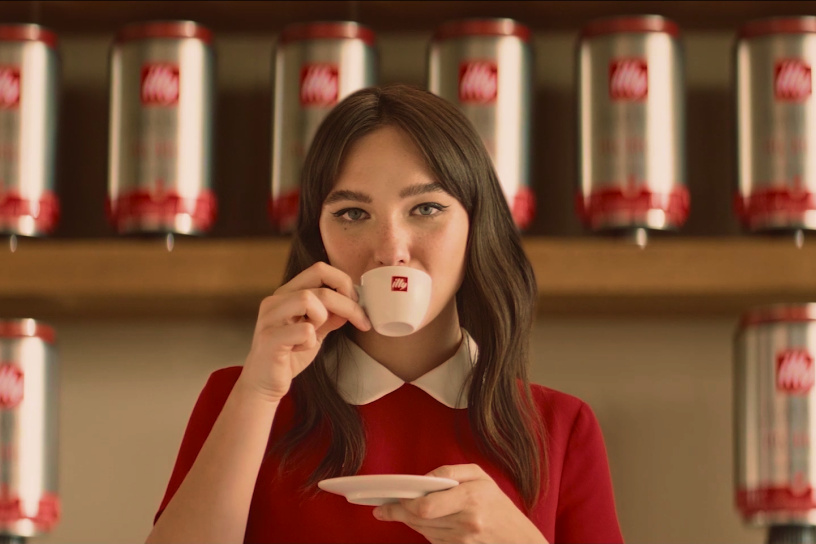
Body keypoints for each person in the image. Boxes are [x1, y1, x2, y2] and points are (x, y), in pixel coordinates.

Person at [145, 84, 623, 544]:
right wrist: (258, 391)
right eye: (353, 213)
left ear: (477, 226)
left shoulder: (560, 426)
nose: (391, 250)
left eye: (426, 208)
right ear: (319, 238)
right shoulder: (243, 398)